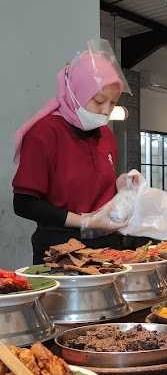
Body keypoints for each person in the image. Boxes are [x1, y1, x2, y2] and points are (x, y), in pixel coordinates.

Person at [13, 39, 132, 263]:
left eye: (113, 103)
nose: (106, 111)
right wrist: (83, 222)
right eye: (98, 101)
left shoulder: (105, 135)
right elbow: (23, 203)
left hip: (106, 250)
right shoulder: (43, 133)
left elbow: (97, 190)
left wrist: (123, 187)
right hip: (60, 252)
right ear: (75, 91)